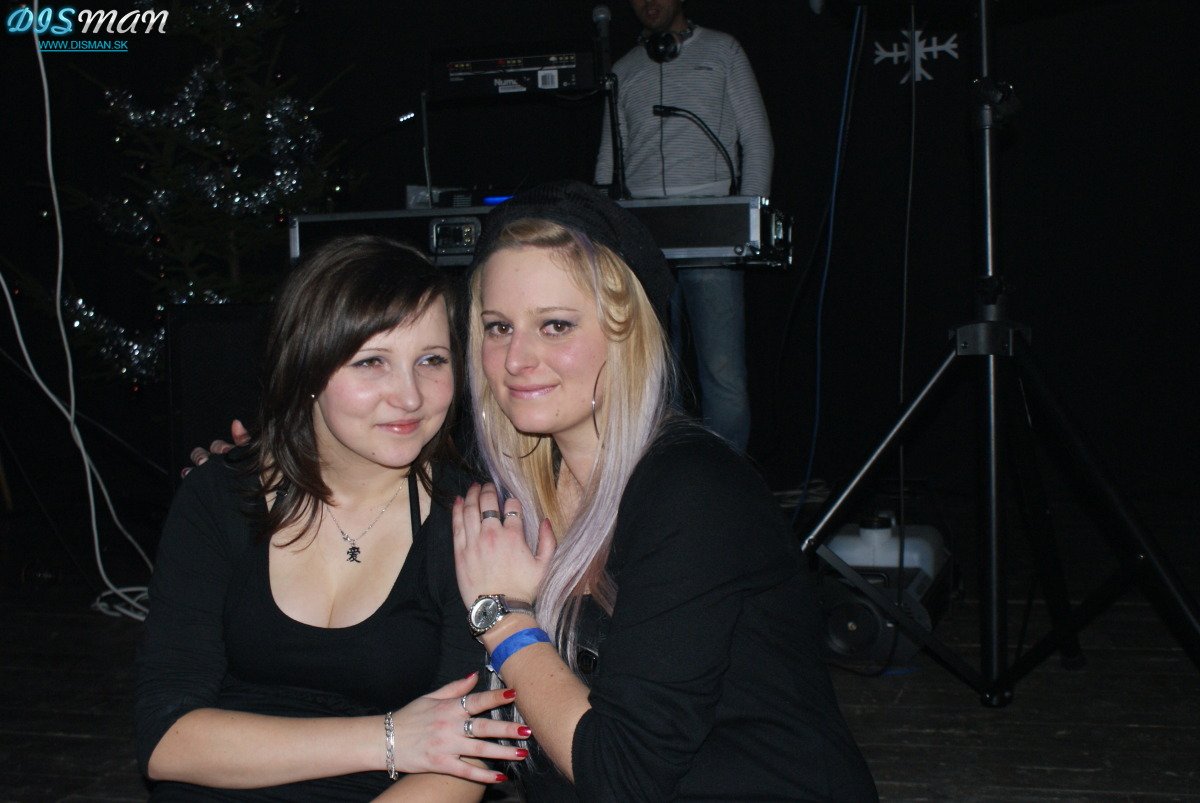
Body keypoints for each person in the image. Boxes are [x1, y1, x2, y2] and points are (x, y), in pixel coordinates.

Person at [453, 181, 877, 801]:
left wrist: (504, 617)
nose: (516, 358)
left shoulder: (692, 491)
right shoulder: (510, 494)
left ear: (626, 333)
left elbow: (623, 775)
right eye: (498, 327)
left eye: (555, 325)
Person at [135, 235, 530, 801]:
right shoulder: (220, 497)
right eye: (371, 362)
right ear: (307, 369)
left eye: (431, 361)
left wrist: (409, 744)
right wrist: (388, 738)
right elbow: (167, 740)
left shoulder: (468, 520)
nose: (410, 396)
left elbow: (457, 764)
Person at [595, 0, 774, 451]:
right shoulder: (624, 69)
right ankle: (669, 473)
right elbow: (608, 160)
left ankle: (726, 481)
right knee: (654, 372)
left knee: (722, 371)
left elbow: (756, 138)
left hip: (712, 228)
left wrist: (745, 222)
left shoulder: (723, 50)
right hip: (640, 230)